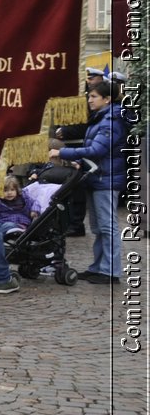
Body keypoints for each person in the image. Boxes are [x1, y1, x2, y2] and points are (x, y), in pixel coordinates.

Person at [51, 79, 127, 284]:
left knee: (107, 226)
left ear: (107, 99)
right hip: (97, 177)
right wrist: (77, 161)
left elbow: (98, 150)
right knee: (98, 227)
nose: (89, 100)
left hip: (106, 178)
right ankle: (98, 267)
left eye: (94, 97)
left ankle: (110, 271)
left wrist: (63, 151)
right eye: (89, 96)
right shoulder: (101, 117)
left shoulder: (111, 120)